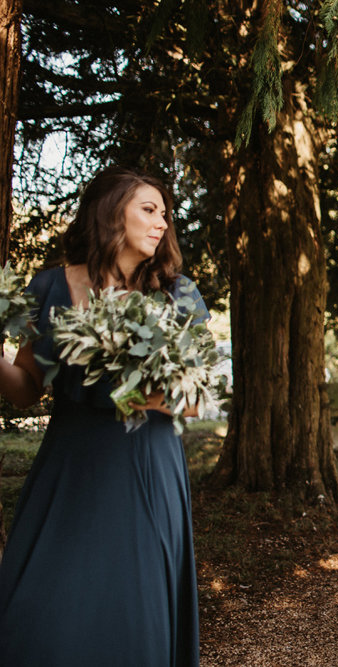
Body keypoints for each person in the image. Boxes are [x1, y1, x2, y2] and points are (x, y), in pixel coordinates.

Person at [0, 167, 206, 666]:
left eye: (164, 214)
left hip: (147, 469)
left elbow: (199, 399)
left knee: (134, 617)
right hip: (71, 468)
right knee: (42, 616)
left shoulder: (178, 295)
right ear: (112, 211)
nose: (161, 224)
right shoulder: (49, 287)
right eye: (148, 210)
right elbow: (26, 389)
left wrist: (145, 395)